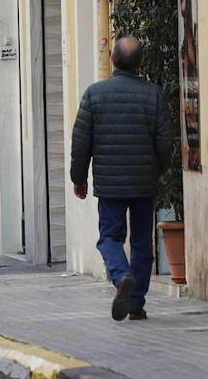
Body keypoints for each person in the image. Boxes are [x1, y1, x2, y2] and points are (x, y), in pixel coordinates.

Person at [70, 36, 173, 321]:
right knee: (142, 243)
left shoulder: (94, 94)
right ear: (140, 63)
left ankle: (122, 275)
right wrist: (158, 171)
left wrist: (78, 179)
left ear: (113, 60)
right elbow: (165, 142)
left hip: (111, 185)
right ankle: (136, 302)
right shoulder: (153, 94)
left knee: (109, 238)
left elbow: (81, 143)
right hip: (144, 184)